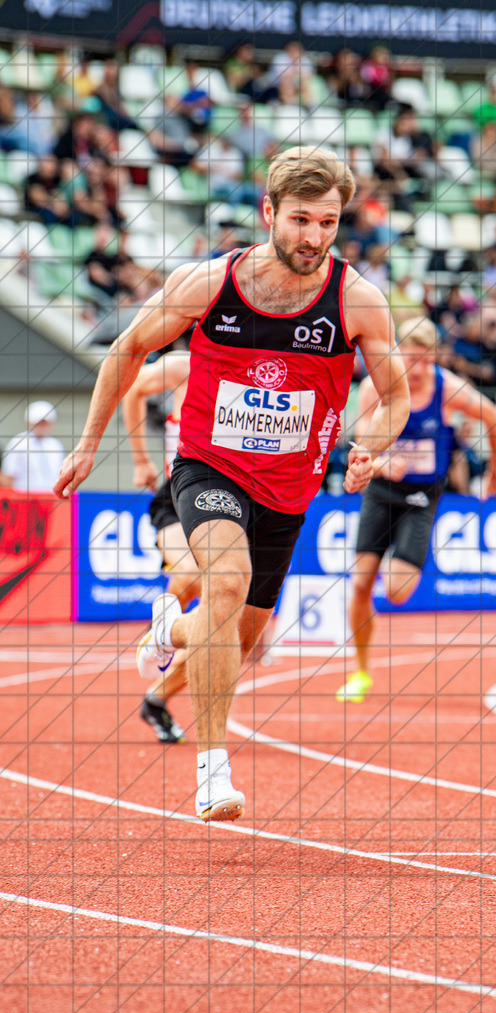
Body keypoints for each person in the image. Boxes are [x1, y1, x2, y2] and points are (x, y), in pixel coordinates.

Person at [54, 146, 410, 824]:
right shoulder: (208, 285)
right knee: (223, 581)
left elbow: (393, 398)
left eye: (328, 224)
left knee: (239, 636)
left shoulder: (356, 299)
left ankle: (170, 629)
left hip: (288, 489)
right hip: (209, 468)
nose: (313, 238)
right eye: (301, 220)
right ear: (268, 213)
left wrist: (370, 444)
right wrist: (88, 444)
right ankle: (212, 772)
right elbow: (126, 349)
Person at [337, 316, 496, 703]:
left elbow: (493, 416)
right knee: (361, 583)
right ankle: (361, 672)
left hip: (421, 499)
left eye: (425, 363)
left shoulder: (447, 389)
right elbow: (362, 445)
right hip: (381, 492)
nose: (417, 372)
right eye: (410, 362)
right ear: (396, 355)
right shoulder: (372, 388)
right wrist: (379, 463)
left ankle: (402, 557)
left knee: (396, 591)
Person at [121, 351, 198, 744]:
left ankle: (156, 699)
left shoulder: (258, 370)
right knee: (188, 574)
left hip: (230, 499)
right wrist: (140, 459)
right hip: (175, 495)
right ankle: (161, 631)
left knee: (227, 629)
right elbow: (131, 389)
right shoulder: (184, 364)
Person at [3, 401, 65, 493]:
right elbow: (9, 476)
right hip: (24, 499)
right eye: (38, 422)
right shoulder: (18, 443)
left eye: (44, 423)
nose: (41, 426)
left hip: (50, 499)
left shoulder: (56, 445)